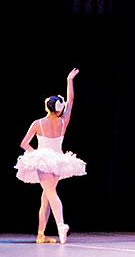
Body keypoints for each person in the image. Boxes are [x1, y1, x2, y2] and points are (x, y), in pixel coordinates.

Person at [16, 68, 85, 244]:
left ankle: (61, 225)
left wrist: (36, 155)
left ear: (47, 107)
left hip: (44, 161)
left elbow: (24, 144)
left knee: (50, 194)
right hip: (58, 161)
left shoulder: (38, 123)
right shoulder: (63, 121)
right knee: (45, 199)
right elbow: (71, 100)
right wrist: (69, 80)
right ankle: (41, 234)